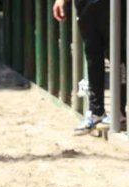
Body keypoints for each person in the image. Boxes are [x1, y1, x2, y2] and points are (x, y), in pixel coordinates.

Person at [53, 0, 127, 133]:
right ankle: (96, 111)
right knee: (92, 53)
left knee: (118, 52)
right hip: (85, 5)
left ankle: (119, 111)